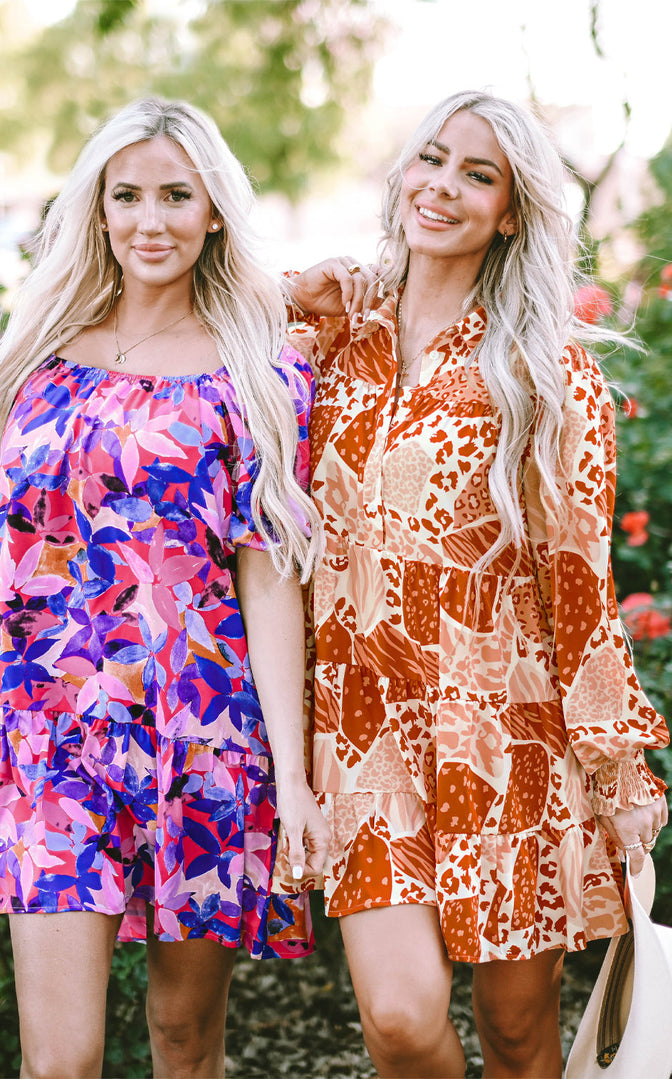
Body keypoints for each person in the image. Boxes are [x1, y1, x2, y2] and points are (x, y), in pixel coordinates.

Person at [284, 89, 669, 1079]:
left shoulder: (546, 375)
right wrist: (292, 291)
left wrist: (620, 768)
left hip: (507, 737)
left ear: (509, 211)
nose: (443, 186)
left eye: (478, 174)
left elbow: (579, 583)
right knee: (400, 1020)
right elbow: (201, 333)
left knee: (516, 1033)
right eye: (432, 158)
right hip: (364, 735)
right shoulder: (334, 343)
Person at [0, 97, 329, 1079]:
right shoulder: (36, 355)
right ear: (98, 208)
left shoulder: (258, 372)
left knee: (184, 1038)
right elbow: (13, 532)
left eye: (175, 195)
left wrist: (293, 779)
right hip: (45, 735)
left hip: (201, 734)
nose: (149, 220)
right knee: (60, 1058)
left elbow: (267, 575)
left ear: (215, 212)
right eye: (127, 196)